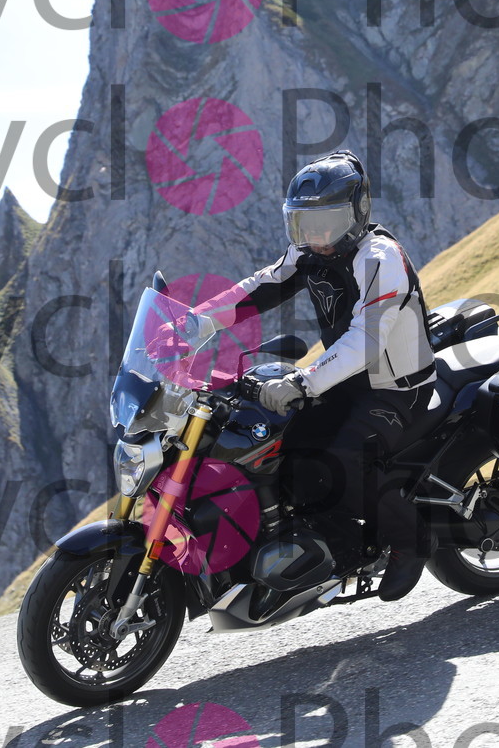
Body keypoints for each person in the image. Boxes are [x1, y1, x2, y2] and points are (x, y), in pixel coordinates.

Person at [184, 149, 435, 601]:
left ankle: (411, 541)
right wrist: (196, 322)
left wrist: (303, 381)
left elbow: (366, 340)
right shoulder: (307, 254)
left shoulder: (380, 258)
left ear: (357, 213)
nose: (315, 235)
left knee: (345, 460)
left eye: (327, 223)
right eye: (304, 223)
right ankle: (317, 539)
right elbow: (258, 288)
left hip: (395, 387)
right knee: (278, 442)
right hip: (344, 381)